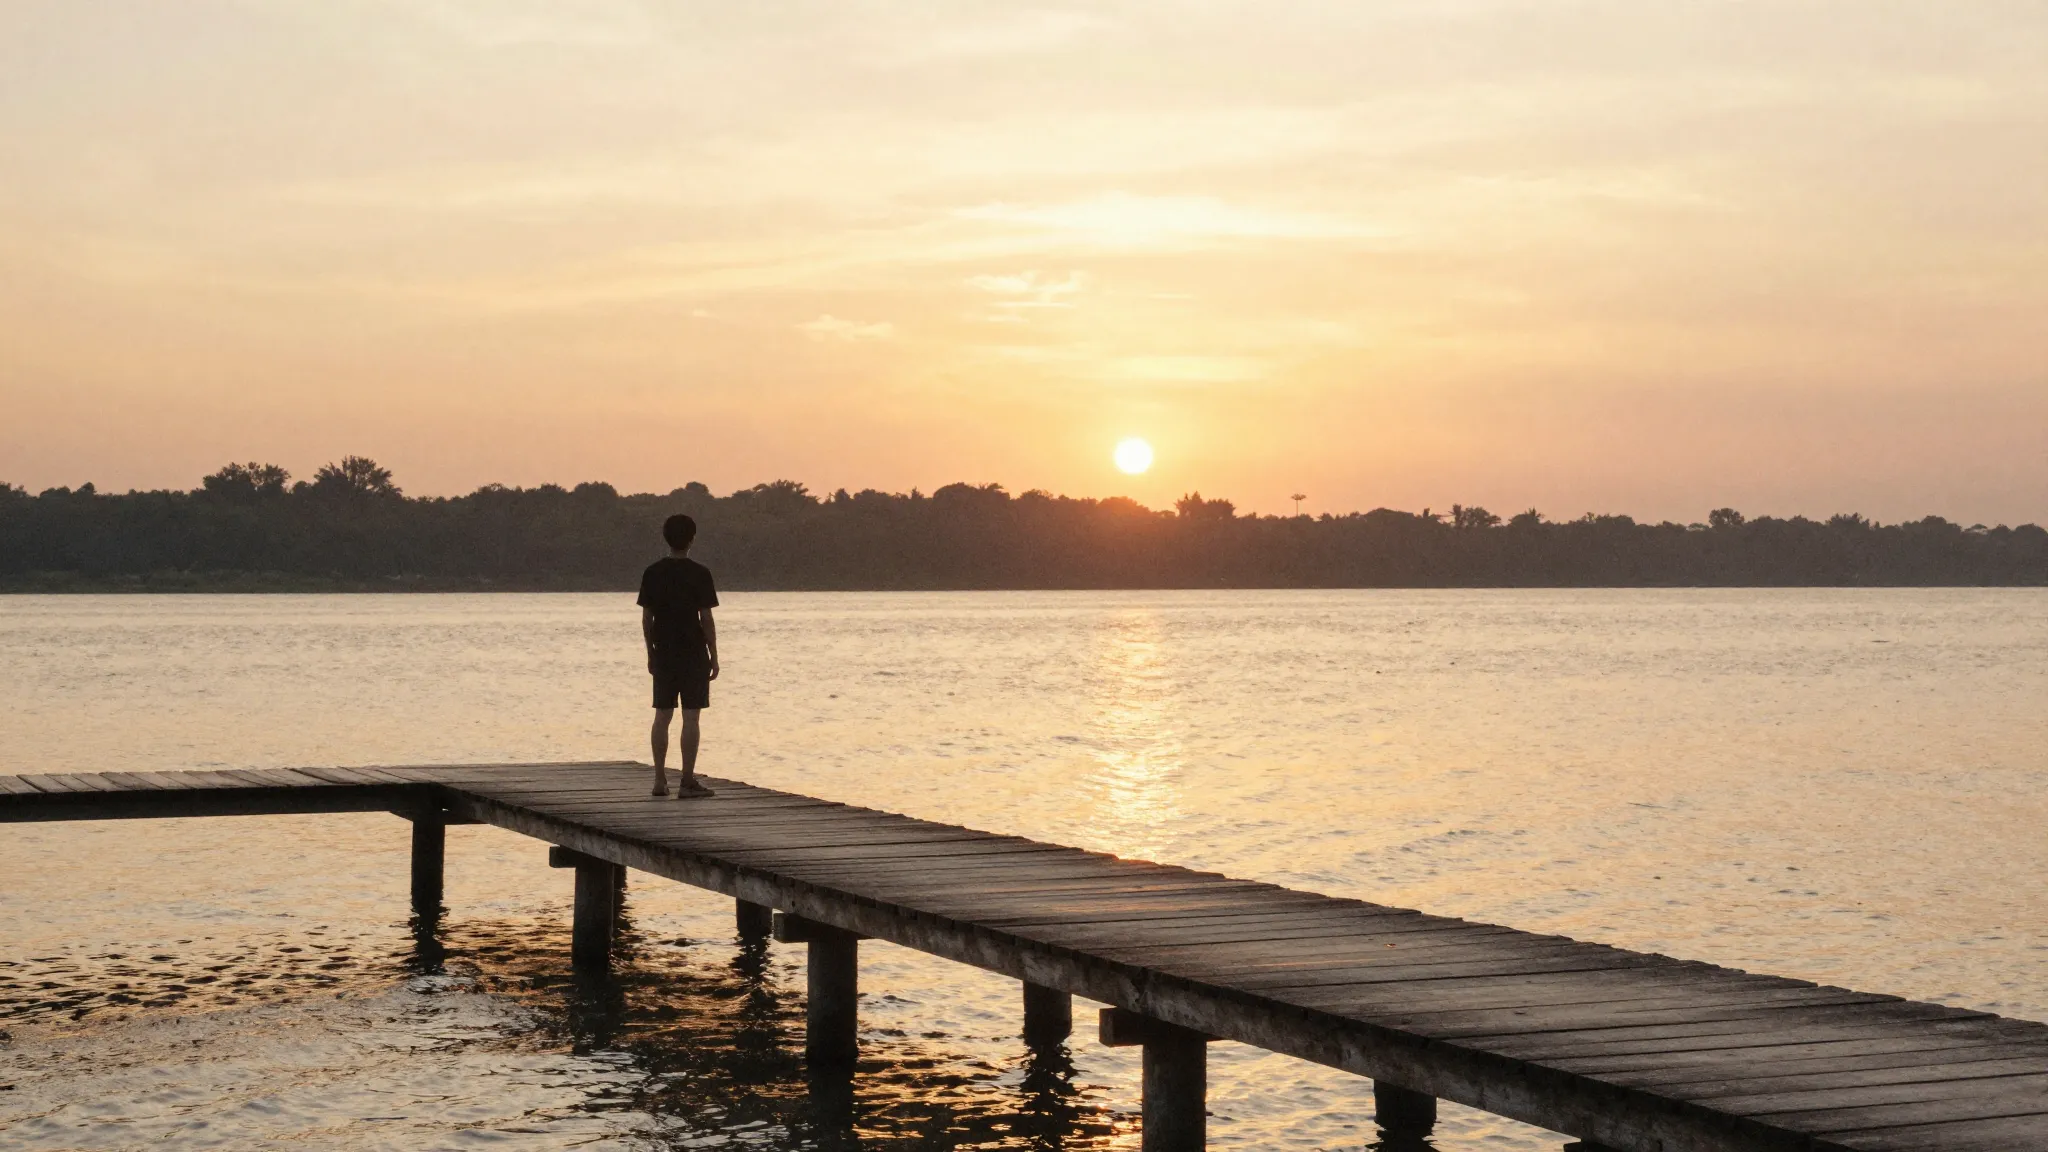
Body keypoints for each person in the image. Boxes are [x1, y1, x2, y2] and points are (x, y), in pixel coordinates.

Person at [638, 514, 719, 797]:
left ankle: (660, 780)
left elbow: (647, 619)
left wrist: (650, 653)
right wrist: (714, 655)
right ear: (692, 539)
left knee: (662, 715)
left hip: (664, 652)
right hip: (693, 652)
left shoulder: (652, 573)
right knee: (691, 717)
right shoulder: (700, 573)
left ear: (666, 538)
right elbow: (706, 618)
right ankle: (687, 780)